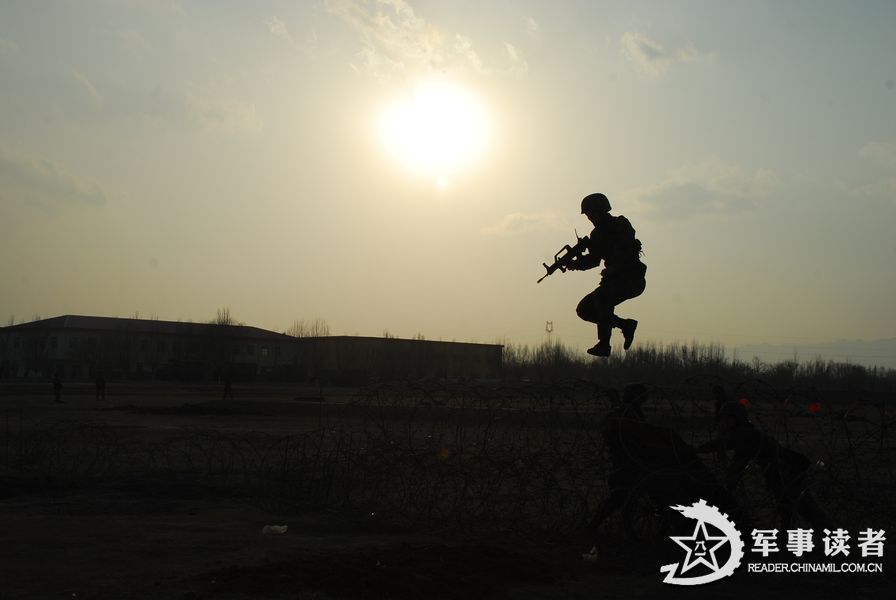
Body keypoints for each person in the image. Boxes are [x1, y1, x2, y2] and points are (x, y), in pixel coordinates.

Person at [696, 401, 829, 531]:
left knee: (803, 506)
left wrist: (729, 485)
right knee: (788, 504)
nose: (723, 422)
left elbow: (736, 458)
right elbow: (725, 445)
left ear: (735, 419)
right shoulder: (744, 432)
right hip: (783, 471)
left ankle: (831, 536)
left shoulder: (744, 434)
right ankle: (793, 533)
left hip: (787, 470)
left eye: (726, 418)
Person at [568, 193, 646, 357]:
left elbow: (624, 249)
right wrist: (573, 264)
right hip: (614, 282)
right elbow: (593, 260)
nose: (590, 218)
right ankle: (625, 325)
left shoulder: (620, 224)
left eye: (591, 214)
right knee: (584, 309)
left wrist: (614, 267)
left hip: (632, 279)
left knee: (602, 298)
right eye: (588, 215)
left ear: (601, 211)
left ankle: (604, 344)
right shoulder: (596, 235)